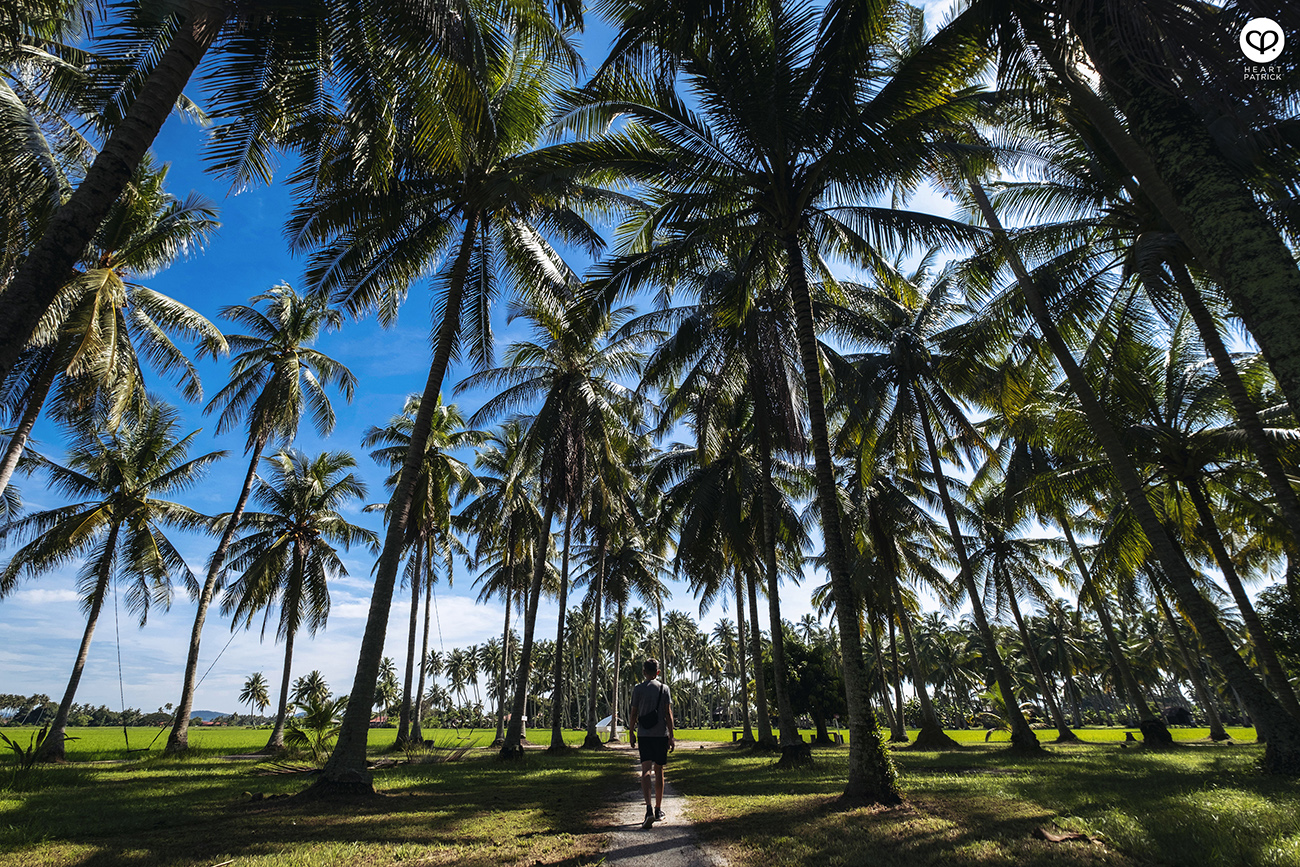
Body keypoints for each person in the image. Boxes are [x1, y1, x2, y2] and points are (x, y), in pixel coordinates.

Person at [628, 658, 674, 828]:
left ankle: (647, 808)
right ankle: (658, 809)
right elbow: (668, 713)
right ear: (658, 672)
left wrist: (631, 732)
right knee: (659, 770)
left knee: (645, 770)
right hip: (660, 735)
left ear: (643, 672)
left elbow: (633, 713)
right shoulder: (664, 688)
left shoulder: (638, 689)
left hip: (644, 735)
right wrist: (671, 735)